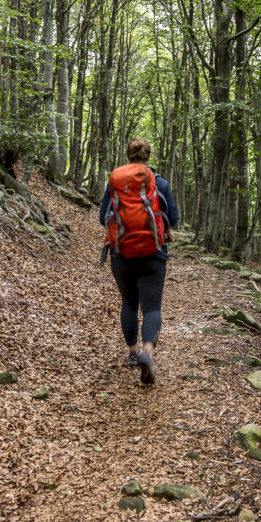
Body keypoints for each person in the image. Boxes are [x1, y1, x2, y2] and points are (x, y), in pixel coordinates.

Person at [99, 138, 179, 385]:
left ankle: (133, 353)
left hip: (120, 254)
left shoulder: (115, 183)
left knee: (129, 304)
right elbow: (173, 219)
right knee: (152, 308)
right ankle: (148, 352)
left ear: (128, 156)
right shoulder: (159, 183)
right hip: (153, 255)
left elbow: (104, 218)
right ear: (148, 157)